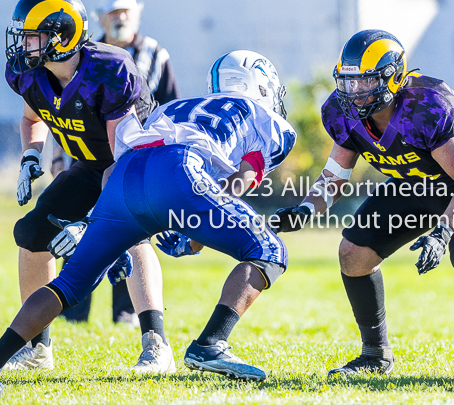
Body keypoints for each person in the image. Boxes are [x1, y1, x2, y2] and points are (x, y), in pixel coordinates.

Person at [272, 29, 454, 379]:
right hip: (418, 182)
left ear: (393, 77)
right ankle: (376, 356)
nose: (354, 92)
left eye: (364, 82)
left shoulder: (426, 106)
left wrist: (442, 233)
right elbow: (334, 177)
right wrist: (305, 210)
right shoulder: (341, 112)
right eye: (348, 82)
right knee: (353, 253)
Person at [0, 49, 295, 382]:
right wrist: (195, 234)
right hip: (178, 171)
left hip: (124, 173)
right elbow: (237, 183)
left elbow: (113, 170)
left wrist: (103, 224)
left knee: (69, 285)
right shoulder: (267, 121)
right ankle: (210, 344)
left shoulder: (174, 108)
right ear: (262, 86)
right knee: (269, 251)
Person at [4, 0, 173, 373]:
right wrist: (32, 156)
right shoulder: (29, 72)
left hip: (138, 164)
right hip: (92, 163)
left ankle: (156, 346)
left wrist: (91, 224)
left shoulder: (109, 70)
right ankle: (37, 348)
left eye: (32, 37)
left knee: (130, 235)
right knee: (32, 232)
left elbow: (122, 161)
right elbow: (33, 115)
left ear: (61, 37)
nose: (21, 46)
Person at [54, 0, 181, 326]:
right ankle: (73, 311)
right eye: (112, 11)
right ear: (99, 17)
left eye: (124, 10)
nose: (119, 17)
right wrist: (56, 158)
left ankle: (127, 313)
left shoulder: (155, 53)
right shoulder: (81, 50)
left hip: (134, 163)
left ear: (137, 11)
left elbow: (169, 109)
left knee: (131, 232)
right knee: (76, 228)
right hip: (85, 160)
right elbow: (56, 109)